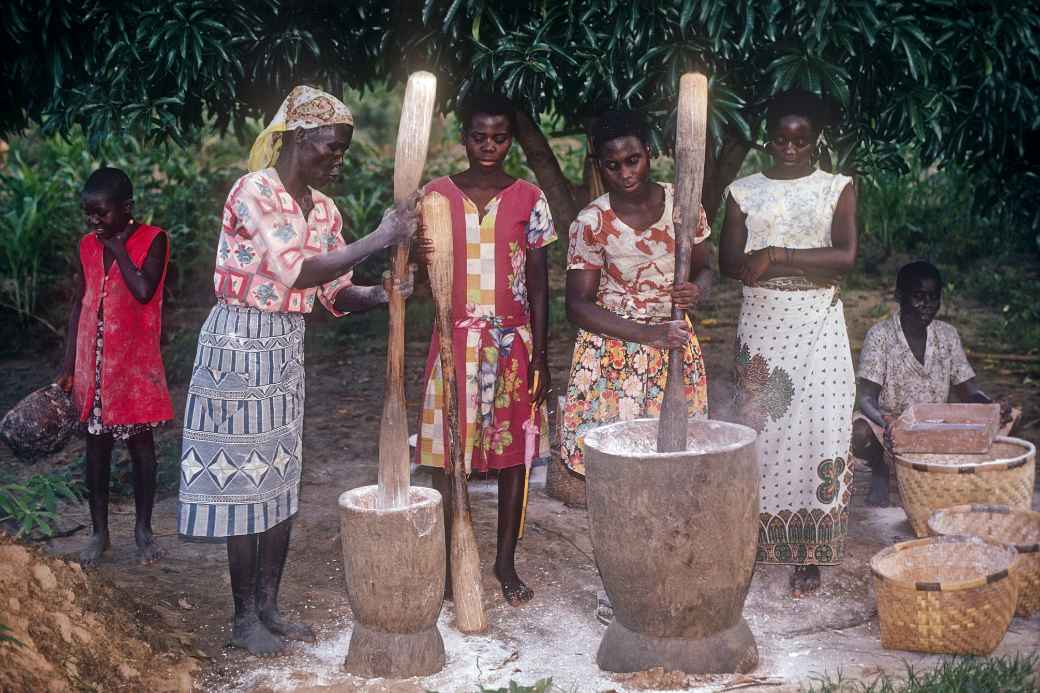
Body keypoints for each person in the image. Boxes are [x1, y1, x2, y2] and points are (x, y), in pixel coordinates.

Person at [176, 86, 418, 656]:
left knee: (280, 479)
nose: (338, 161)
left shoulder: (324, 209)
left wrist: (382, 294)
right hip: (238, 346)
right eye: (330, 149)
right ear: (296, 139)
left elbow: (332, 294)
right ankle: (242, 618)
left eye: (343, 152)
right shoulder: (254, 190)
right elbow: (296, 272)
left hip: (284, 349)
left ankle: (269, 608)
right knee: (244, 483)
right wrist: (381, 237)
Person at [415, 94, 555, 607]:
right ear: (463, 139)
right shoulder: (435, 196)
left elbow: (539, 282)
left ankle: (504, 563)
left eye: (499, 137)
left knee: (513, 456)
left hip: (512, 344)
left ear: (511, 140)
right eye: (479, 137)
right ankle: (453, 556)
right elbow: (415, 263)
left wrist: (541, 352)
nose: (489, 146)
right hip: (452, 342)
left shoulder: (529, 198)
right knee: (446, 453)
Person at [719, 90, 857, 595]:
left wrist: (776, 255)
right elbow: (732, 262)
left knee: (822, 427)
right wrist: (769, 262)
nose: (790, 147)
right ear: (767, 138)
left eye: (801, 138)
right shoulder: (743, 191)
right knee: (766, 433)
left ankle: (808, 550)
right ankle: (754, 539)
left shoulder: (837, 188)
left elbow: (844, 258)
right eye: (780, 138)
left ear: (817, 138)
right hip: (764, 324)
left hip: (818, 320)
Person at [562, 110, 712, 476]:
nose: (626, 173)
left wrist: (696, 291)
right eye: (613, 165)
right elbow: (577, 306)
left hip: (673, 343)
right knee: (619, 462)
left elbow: (706, 268)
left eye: (633, 161)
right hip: (614, 350)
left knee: (673, 459)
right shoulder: (591, 222)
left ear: (648, 152)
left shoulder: (683, 203)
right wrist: (648, 335)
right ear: (600, 166)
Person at [59, 167, 173, 568]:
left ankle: (143, 532)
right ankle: (99, 533)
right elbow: (80, 303)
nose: (94, 222)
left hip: (133, 369)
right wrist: (70, 362)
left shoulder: (153, 240)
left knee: (141, 448)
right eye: (88, 213)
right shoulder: (87, 245)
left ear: (127, 209)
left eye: (101, 213)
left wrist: (120, 248)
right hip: (93, 364)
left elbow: (143, 291)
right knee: (96, 449)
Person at [852, 261, 1016, 506]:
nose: (927, 305)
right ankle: (880, 470)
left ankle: (938, 470)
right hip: (890, 428)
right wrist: (887, 422)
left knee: (1004, 422)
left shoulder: (947, 335)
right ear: (900, 296)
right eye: (918, 296)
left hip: (935, 429)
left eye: (933, 297)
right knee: (859, 431)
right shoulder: (881, 335)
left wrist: (991, 406)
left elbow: (968, 390)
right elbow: (865, 397)